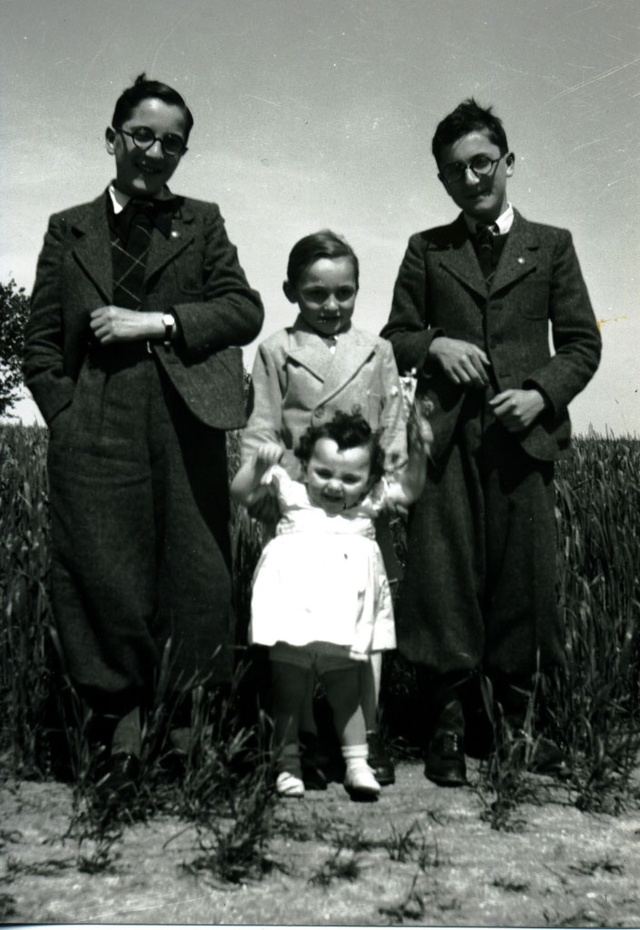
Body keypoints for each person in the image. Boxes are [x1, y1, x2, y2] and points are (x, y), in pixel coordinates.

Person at [23, 74, 264, 789]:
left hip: (186, 416)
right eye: (142, 137)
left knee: (196, 572)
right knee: (102, 569)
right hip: (95, 418)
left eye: (172, 143)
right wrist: (66, 416)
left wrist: (159, 321)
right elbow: (39, 343)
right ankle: (118, 736)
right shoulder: (68, 228)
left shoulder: (201, 221)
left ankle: (186, 734)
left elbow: (244, 310)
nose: (155, 152)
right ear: (112, 139)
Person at [381, 98, 601, 787]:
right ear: (443, 182)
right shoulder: (428, 248)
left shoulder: (552, 245)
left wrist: (540, 393)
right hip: (444, 442)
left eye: (483, 162)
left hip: (522, 442)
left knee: (524, 581)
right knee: (442, 579)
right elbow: (397, 336)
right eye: (456, 171)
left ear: (508, 162)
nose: (473, 177)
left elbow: (583, 343)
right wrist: (436, 345)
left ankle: (518, 724)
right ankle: (446, 724)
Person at [239, 230, 408, 787]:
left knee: (363, 628)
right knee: (298, 631)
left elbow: (392, 428)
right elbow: (261, 426)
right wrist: (273, 488)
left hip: (357, 510)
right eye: (316, 295)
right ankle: (304, 737)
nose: (331, 306)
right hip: (303, 507)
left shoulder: (377, 351)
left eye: (344, 293)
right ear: (291, 291)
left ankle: (366, 738)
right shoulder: (275, 350)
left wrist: (388, 484)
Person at [231, 409, 429, 799]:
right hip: (294, 616)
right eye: (323, 473)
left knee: (349, 695)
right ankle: (287, 766)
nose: (335, 486)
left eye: (350, 478)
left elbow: (409, 490)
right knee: (288, 694)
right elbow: (239, 492)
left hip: (343, 620)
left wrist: (419, 454)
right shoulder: (291, 493)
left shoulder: (368, 504)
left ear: (369, 480)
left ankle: (356, 764)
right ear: (305, 465)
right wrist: (257, 465)